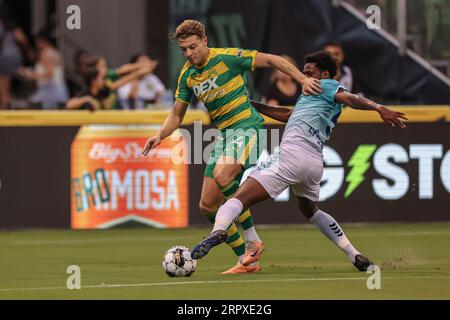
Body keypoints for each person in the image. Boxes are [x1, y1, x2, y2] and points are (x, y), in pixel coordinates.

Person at [191, 51, 408, 272]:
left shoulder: (327, 85)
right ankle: (354, 255)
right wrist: (250, 104)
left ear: (324, 74)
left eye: (309, 72)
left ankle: (218, 231)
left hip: (292, 156)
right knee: (311, 211)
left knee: (235, 200)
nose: (303, 76)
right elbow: (288, 115)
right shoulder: (313, 93)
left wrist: (379, 108)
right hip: (313, 163)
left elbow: (351, 99)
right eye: (303, 73)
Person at [141, 19, 321, 274]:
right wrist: (160, 134)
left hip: (247, 126)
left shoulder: (228, 57)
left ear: (204, 41)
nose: (189, 53)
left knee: (223, 174)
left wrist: (302, 79)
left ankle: (252, 241)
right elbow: (176, 115)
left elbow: (271, 60)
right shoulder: (187, 76)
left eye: (193, 46)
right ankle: (247, 261)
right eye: (184, 49)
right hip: (225, 135)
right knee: (207, 205)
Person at [66, 61, 156, 110]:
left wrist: (139, 72)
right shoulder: (86, 93)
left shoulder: (105, 90)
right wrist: (87, 99)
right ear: (93, 81)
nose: (103, 80)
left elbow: (121, 80)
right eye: (101, 78)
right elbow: (69, 104)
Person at [18, 29, 69, 109]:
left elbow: (49, 74)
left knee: (30, 108)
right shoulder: (55, 52)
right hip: (58, 88)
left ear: (42, 41)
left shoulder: (47, 54)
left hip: (50, 90)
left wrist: (31, 74)